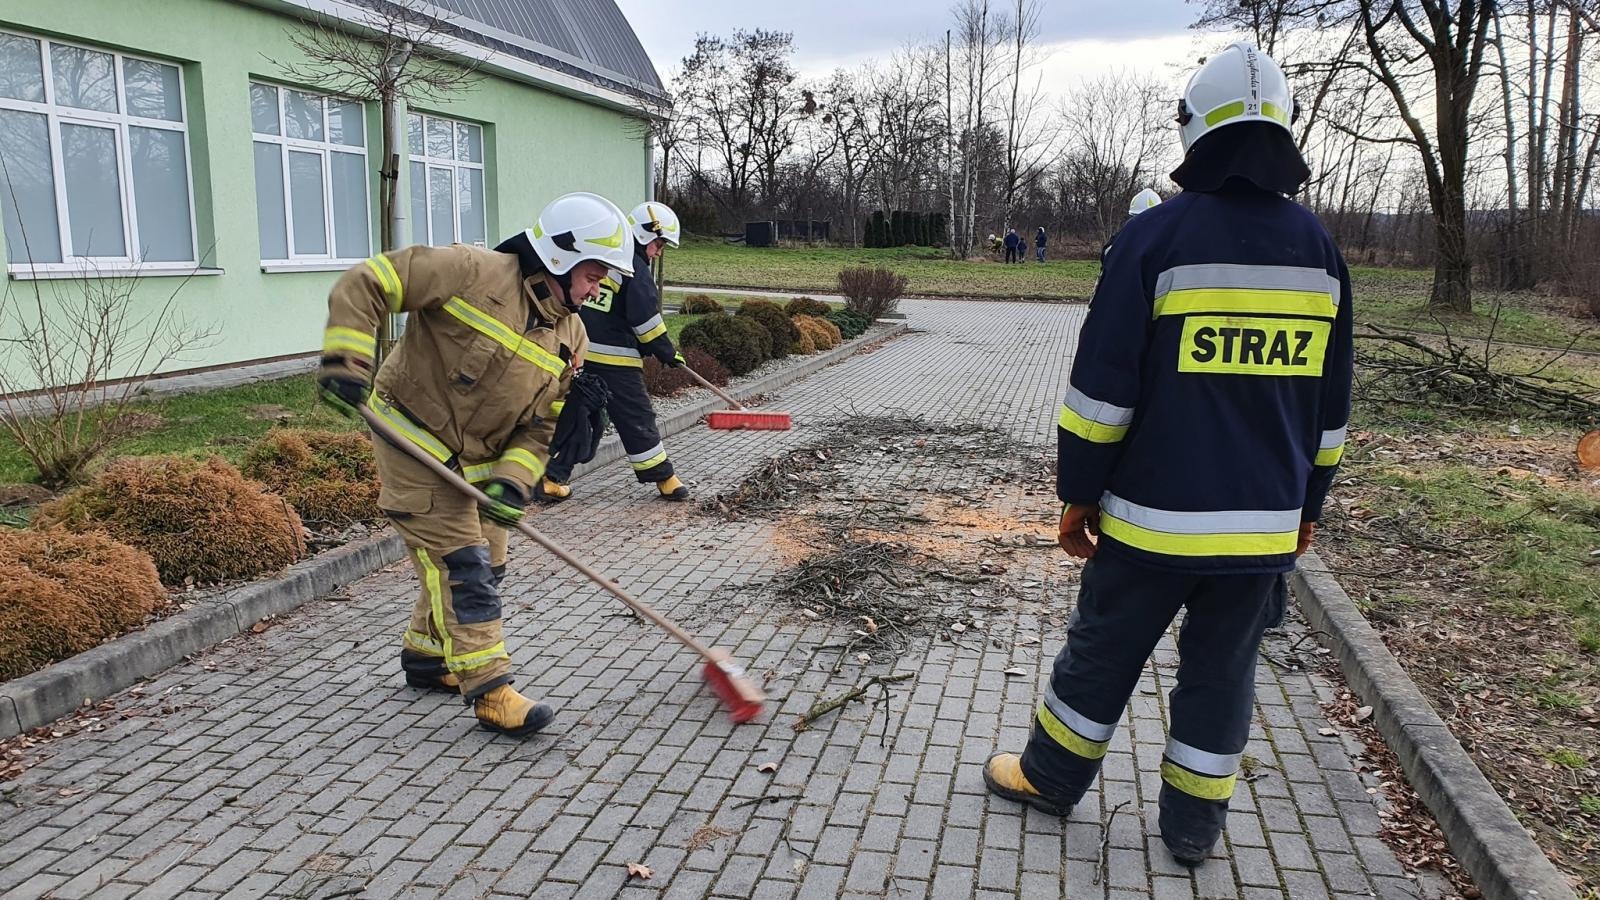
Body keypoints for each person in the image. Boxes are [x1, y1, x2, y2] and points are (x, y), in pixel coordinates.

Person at [981, 43, 1353, 869]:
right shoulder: (1320, 252)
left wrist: (1079, 492)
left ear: (1195, 129)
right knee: (1223, 674)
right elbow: (1330, 412)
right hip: (1263, 528)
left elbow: (1101, 393)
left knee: (1104, 651)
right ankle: (1193, 827)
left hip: (1155, 518)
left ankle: (1051, 778)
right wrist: (1308, 510)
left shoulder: (1154, 240)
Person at [316, 192, 634, 738]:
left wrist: (514, 482)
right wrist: (346, 359)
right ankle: (490, 690)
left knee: (490, 562)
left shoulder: (572, 335)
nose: (597, 288)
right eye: (593, 273)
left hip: (480, 459)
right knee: (463, 569)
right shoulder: (470, 271)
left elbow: (541, 424)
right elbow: (369, 280)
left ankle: (426, 656)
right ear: (560, 257)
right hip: (411, 439)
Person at [538, 201, 690, 503]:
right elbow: (645, 321)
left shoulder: (604, 257)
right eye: (659, 244)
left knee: (582, 416)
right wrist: (667, 352)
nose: (658, 252)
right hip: (616, 362)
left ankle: (552, 478)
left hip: (579, 355)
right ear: (645, 235)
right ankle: (664, 477)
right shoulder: (635, 269)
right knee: (636, 416)